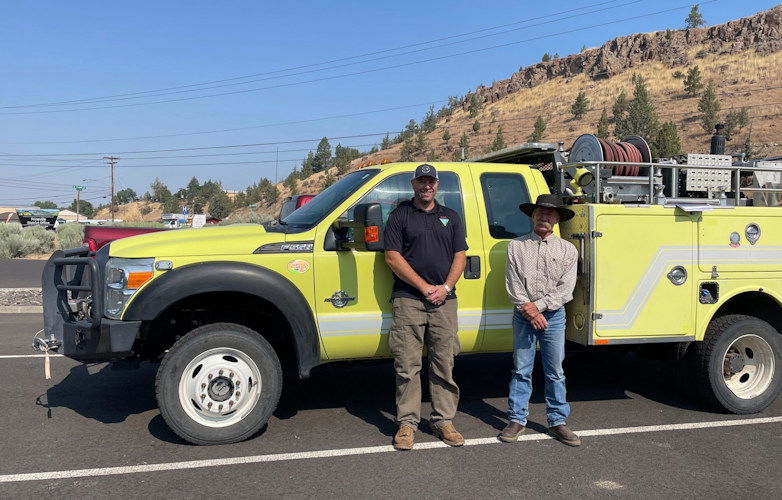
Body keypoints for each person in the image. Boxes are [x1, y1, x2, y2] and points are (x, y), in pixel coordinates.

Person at [383, 163, 468, 451]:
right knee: (407, 365)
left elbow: (460, 255)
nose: (426, 186)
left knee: (444, 362)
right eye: (421, 181)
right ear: (413, 184)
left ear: (437, 185)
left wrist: (445, 288)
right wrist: (424, 287)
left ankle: (443, 420)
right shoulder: (399, 216)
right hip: (409, 298)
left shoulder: (451, 217)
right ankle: (407, 423)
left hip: (445, 301)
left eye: (430, 182)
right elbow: (393, 257)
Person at [499, 194, 581, 446]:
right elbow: (514, 285)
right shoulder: (516, 246)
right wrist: (530, 311)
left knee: (555, 371)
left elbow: (566, 289)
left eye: (550, 214)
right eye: (540, 213)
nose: (544, 217)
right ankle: (517, 419)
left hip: (554, 316)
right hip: (524, 315)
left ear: (557, 219)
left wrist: (539, 308)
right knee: (521, 369)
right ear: (532, 216)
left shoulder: (568, 250)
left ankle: (557, 421)